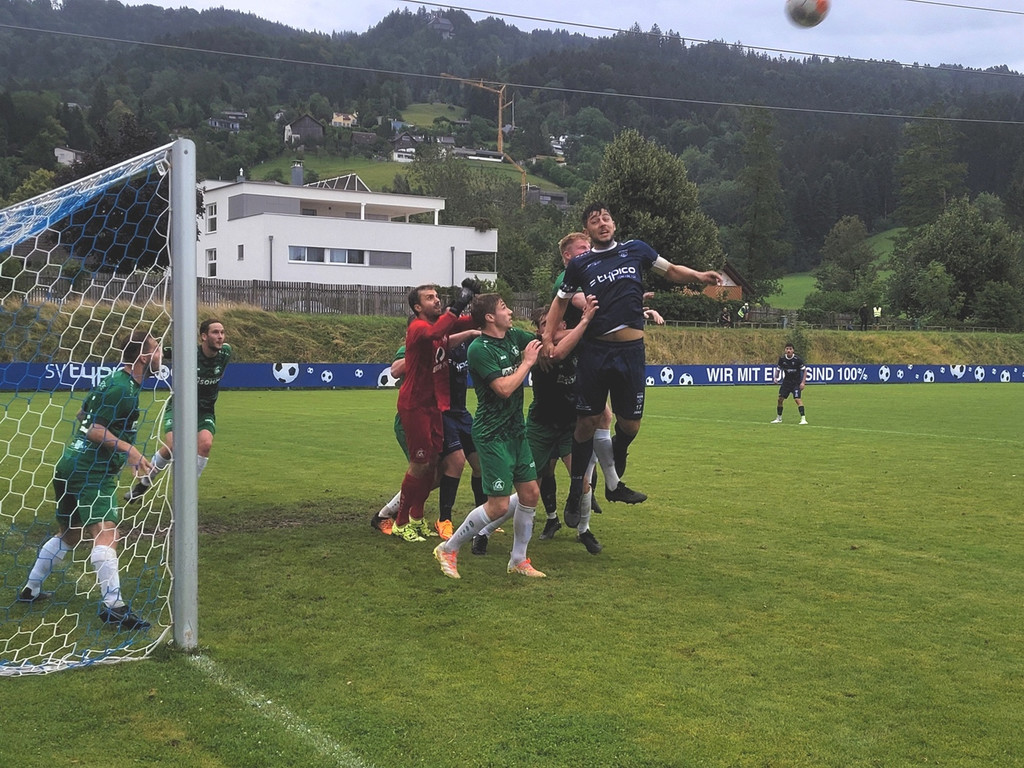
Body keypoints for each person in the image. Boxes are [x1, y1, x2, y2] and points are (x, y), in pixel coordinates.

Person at [543, 202, 722, 524]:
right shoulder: (581, 264)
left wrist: (697, 275)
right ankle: (576, 492)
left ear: (614, 223)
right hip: (595, 352)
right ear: (588, 229)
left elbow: (669, 270)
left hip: (631, 352)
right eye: (595, 221)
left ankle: (617, 460)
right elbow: (560, 302)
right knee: (587, 422)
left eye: (607, 218)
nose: (603, 223)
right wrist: (546, 338)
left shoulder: (636, 250)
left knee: (631, 426)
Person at [17, 331, 161, 630]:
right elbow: (95, 429)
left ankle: (31, 589)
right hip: (91, 470)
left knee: (70, 533)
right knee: (106, 531)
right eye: (158, 349)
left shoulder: (112, 380)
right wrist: (130, 451)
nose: (163, 355)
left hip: (70, 462)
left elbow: (83, 412)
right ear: (144, 357)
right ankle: (114, 606)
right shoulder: (122, 388)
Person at [473, 298, 600, 555]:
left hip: (568, 425)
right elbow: (553, 348)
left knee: (582, 481)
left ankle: (583, 530)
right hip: (540, 425)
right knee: (529, 491)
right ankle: (483, 531)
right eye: (542, 326)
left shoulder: (576, 344)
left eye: (551, 324)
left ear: (562, 323)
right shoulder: (541, 351)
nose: (546, 330)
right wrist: (583, 322)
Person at [432, 293, 546, 579]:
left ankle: (518, 560)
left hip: (515, 430)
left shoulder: (512, 336)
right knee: (498, 505)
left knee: (531, 493)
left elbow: (543, 339)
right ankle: (448, 548)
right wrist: (527, 363)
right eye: (504, 308)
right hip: (492, 434)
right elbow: (504, 389)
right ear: (490, 318)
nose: (510, 312)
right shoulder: (479, 349)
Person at [552, 231, 644, 517]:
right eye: (582, 248)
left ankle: (600, 488)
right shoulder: (569, 276)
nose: (589, 251)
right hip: (570, 364)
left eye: (590, 247)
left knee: (605, 419)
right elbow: (585, 303)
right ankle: (578, 495)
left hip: (594, 355)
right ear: (568, 256)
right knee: (585, 425)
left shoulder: (594, 268)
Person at [371, 330, 483, 540]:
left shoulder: (453, 346)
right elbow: (395, 370)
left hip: (434, 419)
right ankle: (388, 515)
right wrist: (425, 351)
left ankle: (408, 516)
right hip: (411, 421)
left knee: (437, 475)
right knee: (424, 472)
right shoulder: (412, 347)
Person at [390, 280, 479, 542]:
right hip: (415, 404)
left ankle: (417, 518)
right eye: (430, 298)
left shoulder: (438, 327)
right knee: (419, 464)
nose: (437, 300)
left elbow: (466, 322)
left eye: (437, 296)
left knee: (432, 464)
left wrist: (478, 301)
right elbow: (437, 332)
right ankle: (400, 521)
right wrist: (459, 302)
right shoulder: (418, 328)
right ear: (417, 307)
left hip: (433, 406)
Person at [125, 318, 231, 503]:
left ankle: (188, 492)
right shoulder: (188, 352)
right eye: (215, 332)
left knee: (205, 444)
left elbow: (220, 371)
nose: (220, 336)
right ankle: (143, 484)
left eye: (222, 332)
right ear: (203, 336)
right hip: (180, 406)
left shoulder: (226, 353)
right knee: (173, 446)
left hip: (204, 410)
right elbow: (158, 351)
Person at [770, 343, 808, 425]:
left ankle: (803, 419)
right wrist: (775, 378)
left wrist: (803, 382)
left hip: (796, 383)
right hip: (786, 383)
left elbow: (804, 371)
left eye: (790, 349)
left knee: (797, 399)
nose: (788, 350)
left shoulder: (797, 359)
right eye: (787, 349)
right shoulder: (782, 359)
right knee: (780, 399)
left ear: (793, 350)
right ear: (785, 350)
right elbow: (778, 369)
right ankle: (779, 418)